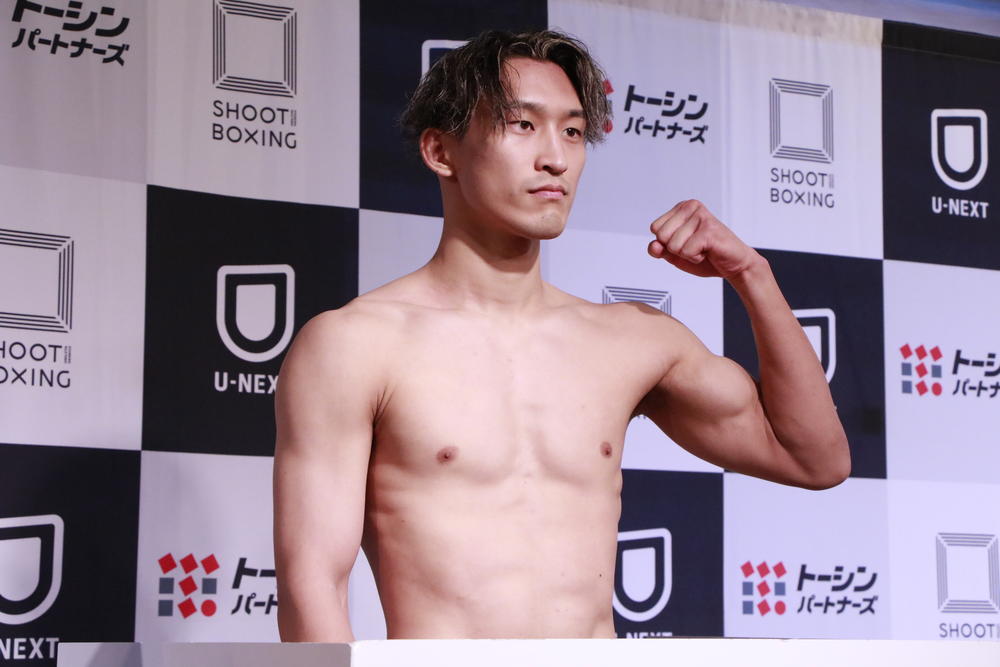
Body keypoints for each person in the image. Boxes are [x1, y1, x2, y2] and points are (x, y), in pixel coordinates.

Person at [273, 29, 850, 642]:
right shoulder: (354, 345)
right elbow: (313, 585)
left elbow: (815, 459)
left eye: (573, 132)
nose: (556, 158)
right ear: (441, 151)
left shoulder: (631, 339)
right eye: (523, 125)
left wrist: (752, 275)